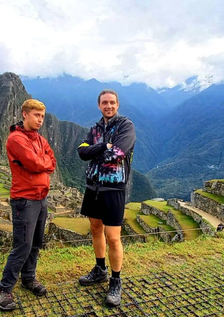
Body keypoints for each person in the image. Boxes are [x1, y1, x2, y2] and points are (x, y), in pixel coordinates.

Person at [0, 99, 56, 311]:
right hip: (25, 199)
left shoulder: (39, 139)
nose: (40, 120)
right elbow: (36, 163)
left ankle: (29, 278)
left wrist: (42, 163)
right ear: (25, 115)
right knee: (23, 245)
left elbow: (51, 162)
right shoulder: (16, 139)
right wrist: (42, 163)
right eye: (36, 115)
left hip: (41, 198)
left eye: (42, 116)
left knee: (36, 243)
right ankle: (4, 289)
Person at [77, 89, 136, 307]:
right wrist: (103, 145)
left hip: (114, 188)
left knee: (113, 236)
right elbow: (82, 152)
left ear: (118, 104)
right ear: (99, 105)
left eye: (112, 102)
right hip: (93, 187)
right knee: (95, 228)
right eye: (104, 102)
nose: (108, 106)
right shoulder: (95, 129)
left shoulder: (125, 126)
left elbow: (117, 155)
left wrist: (96, 151)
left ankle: (116, 280)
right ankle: (100, 269)